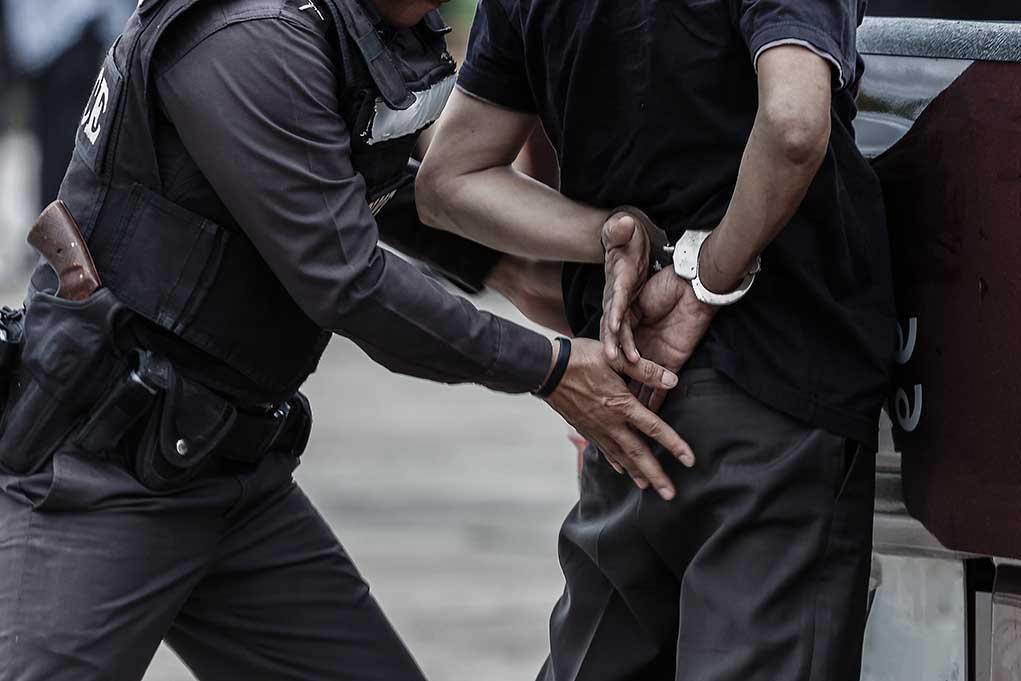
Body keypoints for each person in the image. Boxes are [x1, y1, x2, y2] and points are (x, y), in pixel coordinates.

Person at [0, 1, 695, 679]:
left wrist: (548, 280)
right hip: (100, 476)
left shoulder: (359, 30)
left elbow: (381, 184)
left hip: (233, 472)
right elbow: (348, 282)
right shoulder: (248, 36)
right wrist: (551, 369)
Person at [417, 1, 897, 679]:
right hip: (777, 381)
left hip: (625, 389)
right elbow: (793, 125)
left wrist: (620, 235)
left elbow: (447, 182)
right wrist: (703, 272)